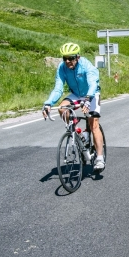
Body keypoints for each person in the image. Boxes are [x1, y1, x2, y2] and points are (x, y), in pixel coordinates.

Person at [42, 42, 106, 172]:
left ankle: (99, 158)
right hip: (76, 94)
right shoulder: (62, 67)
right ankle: (77, 132)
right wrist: (48, 103)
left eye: (70, 58)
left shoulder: (86, 65)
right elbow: (58, 88)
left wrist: (88, 99)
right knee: (62, 108)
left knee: (93, 124)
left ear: (77, 57)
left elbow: (93, 84)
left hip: (91, 94)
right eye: (65, 58)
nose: (67, 61)